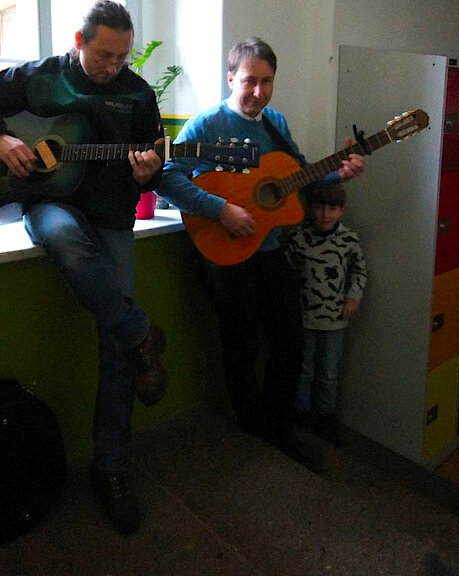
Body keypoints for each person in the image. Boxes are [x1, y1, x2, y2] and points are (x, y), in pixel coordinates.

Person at [0, 0, 167, 535]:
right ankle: (142, 334)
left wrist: (148, 172)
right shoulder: (41, 77)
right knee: (66, 243)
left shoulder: (138, 95)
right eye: (104, 55)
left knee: (116, 349)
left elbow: (155, 163)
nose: (113, 66)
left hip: (113, 216)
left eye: (121, 57)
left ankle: (110, 467)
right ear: (79, 41)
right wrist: (0, 138)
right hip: (52, 204)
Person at [156, 37, 365, 472]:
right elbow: (168, 177)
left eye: (266, 82)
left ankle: (279, 425)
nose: (258, 91)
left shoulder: (275, 123)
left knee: (289, 340)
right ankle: (252, 427)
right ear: (231, 78)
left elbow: (299, 176)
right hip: (223, 252)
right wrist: (221, 209)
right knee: (241, 344)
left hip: (268, 249)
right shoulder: (205, 125)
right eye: (250, 80)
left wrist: (338, 173)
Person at [283, 183, 367, 447]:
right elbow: (286, 275)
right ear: (309, 208)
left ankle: (326, 418)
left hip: (334, 321)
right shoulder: (298, 237)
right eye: (319, 207)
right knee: (303, 370)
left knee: (328, 373)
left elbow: (360, 270)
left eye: (332, 208)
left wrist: (353, 296)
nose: (325, 214)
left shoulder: (348, 239)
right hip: (304, 319)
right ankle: (301, 413)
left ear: (342, 210)